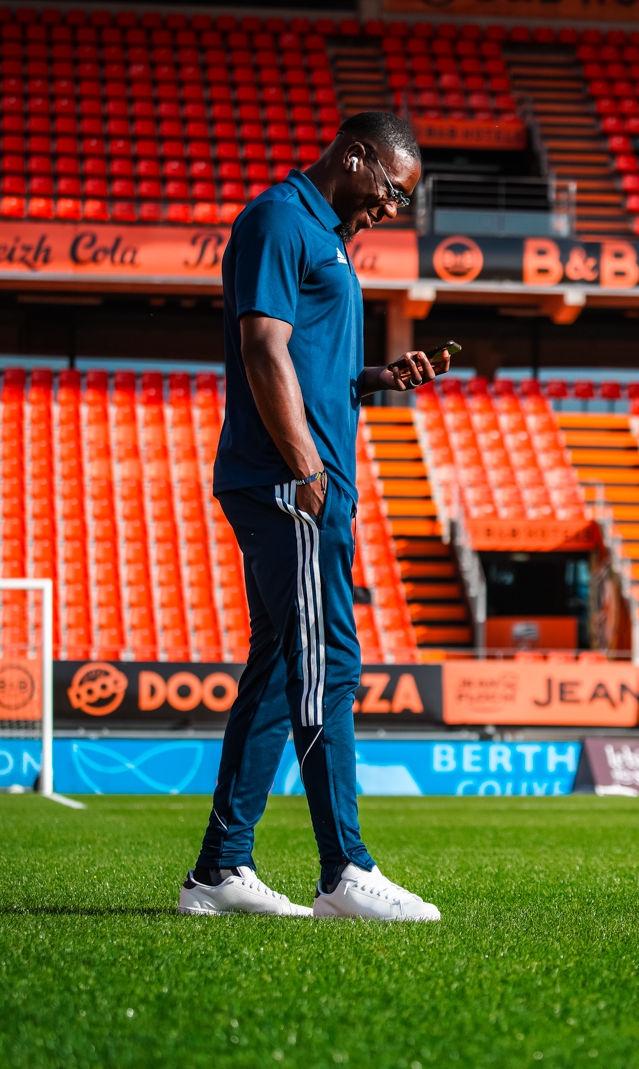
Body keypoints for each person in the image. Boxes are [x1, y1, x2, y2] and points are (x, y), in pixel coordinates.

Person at [178, 112, 450, 920]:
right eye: (392, 190)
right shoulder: (279, 219)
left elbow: (307, 363)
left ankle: (220, 870)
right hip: (291, 482)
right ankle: (345, 871)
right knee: (329, 662)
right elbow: (262, 347)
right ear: (356, 156)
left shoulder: (324, 236)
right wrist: (305, 467)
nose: (391, 209)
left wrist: (375, 379)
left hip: (298, 478)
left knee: (275, 672)